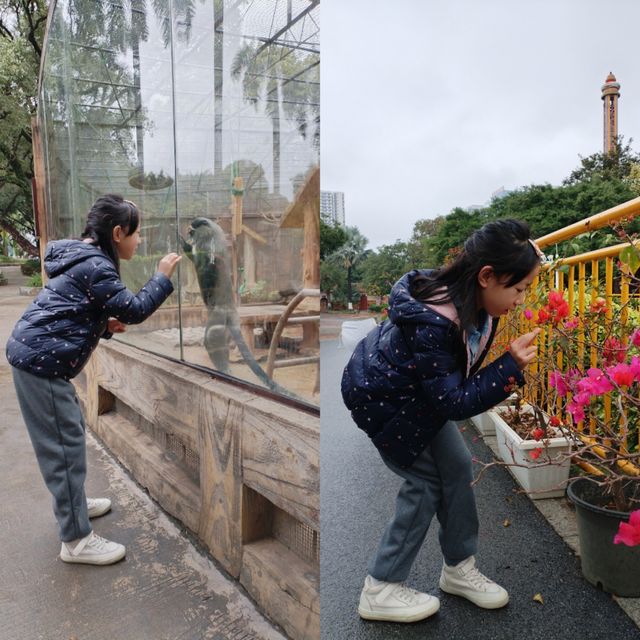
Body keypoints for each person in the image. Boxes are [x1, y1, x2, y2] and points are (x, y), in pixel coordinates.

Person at [341, 218, 543, 623]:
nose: (521, 299)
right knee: (425, 482)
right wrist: (509, 367)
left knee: (457, 466)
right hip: (383, 403)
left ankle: (458, 569)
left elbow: (449, 388)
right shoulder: (436, 319)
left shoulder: (474, 300)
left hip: (418, 399)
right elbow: (454, 401)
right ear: (487, 276)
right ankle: (380, 587)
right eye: (518, 288)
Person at [6, 194, 181, 566]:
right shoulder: (97, 266)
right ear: (118, 233)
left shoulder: (84, 257)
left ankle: (75, 506)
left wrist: (103, 324)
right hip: (41, 365)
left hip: (38, 359)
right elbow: (134, 310)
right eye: (137, 233)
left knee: (66, 441)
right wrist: (162, 277)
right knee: (64, 449)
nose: (140, 241)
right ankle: (76, 540)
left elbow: (74, 309)